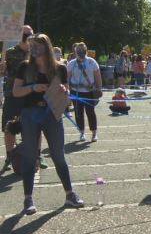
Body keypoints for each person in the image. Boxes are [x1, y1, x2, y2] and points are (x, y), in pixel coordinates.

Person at [14, 34, 84, 215]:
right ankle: (28, 199)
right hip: (30, 114)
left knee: (58, 155)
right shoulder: (24, 67)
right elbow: (16, 92)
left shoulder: (60, 68)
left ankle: (70, 194)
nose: (34, 49)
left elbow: (67, 93)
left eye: (37, 46)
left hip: (52, 114)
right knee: (30, 156)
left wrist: (64, 90)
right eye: (32, 46)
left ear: (46, 47)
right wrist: (32, 88)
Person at [1, 25, 33, 172]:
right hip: (12, 95)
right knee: (9, 127)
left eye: (30, 33)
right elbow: (3, 72)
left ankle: (34, 156)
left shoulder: (36, 53)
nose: (29, 36)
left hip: (30, 95)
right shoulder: (10, 53)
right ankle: (9, 156)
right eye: (26, 34)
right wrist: (2, 66)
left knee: (32, 127)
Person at [67, 42, 102, 142]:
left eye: (83, 51)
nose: (81, 53)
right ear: (75, 52)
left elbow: (97, 77)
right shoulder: (71, 63)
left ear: (86, 51)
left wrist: (99, 89)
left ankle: (94, 133)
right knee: (78, 113)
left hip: (89, 92)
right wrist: (68, 91)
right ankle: (82, 132)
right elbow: (67, 78)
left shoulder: (92, 62)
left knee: (90, 112)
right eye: (78, 51)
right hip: (76, 92)